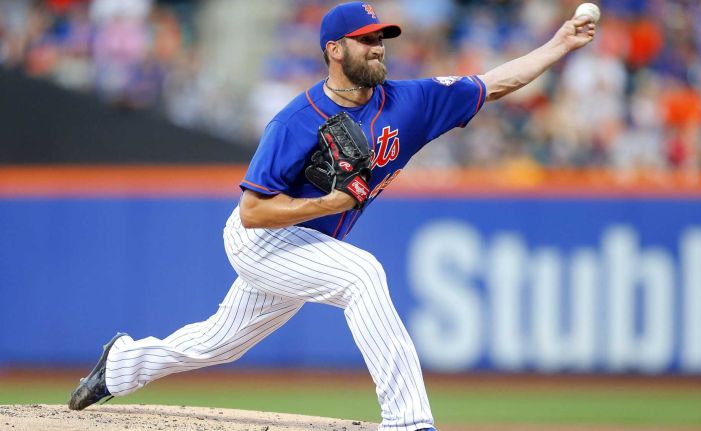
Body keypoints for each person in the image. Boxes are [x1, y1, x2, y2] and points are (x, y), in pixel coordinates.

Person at [68, 3, 596, 430]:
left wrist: (559, 44)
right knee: (362, 273)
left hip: (309, 248)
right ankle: (408, 422)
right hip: (263, 240)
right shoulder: (296, 121)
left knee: (218, 342)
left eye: (381, 37)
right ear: (334, 50)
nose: (378, 45)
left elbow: (492, 83)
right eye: (366, 39)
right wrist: (332, 202)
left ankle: (121, 363)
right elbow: (252, 212)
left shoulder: (408, 103)